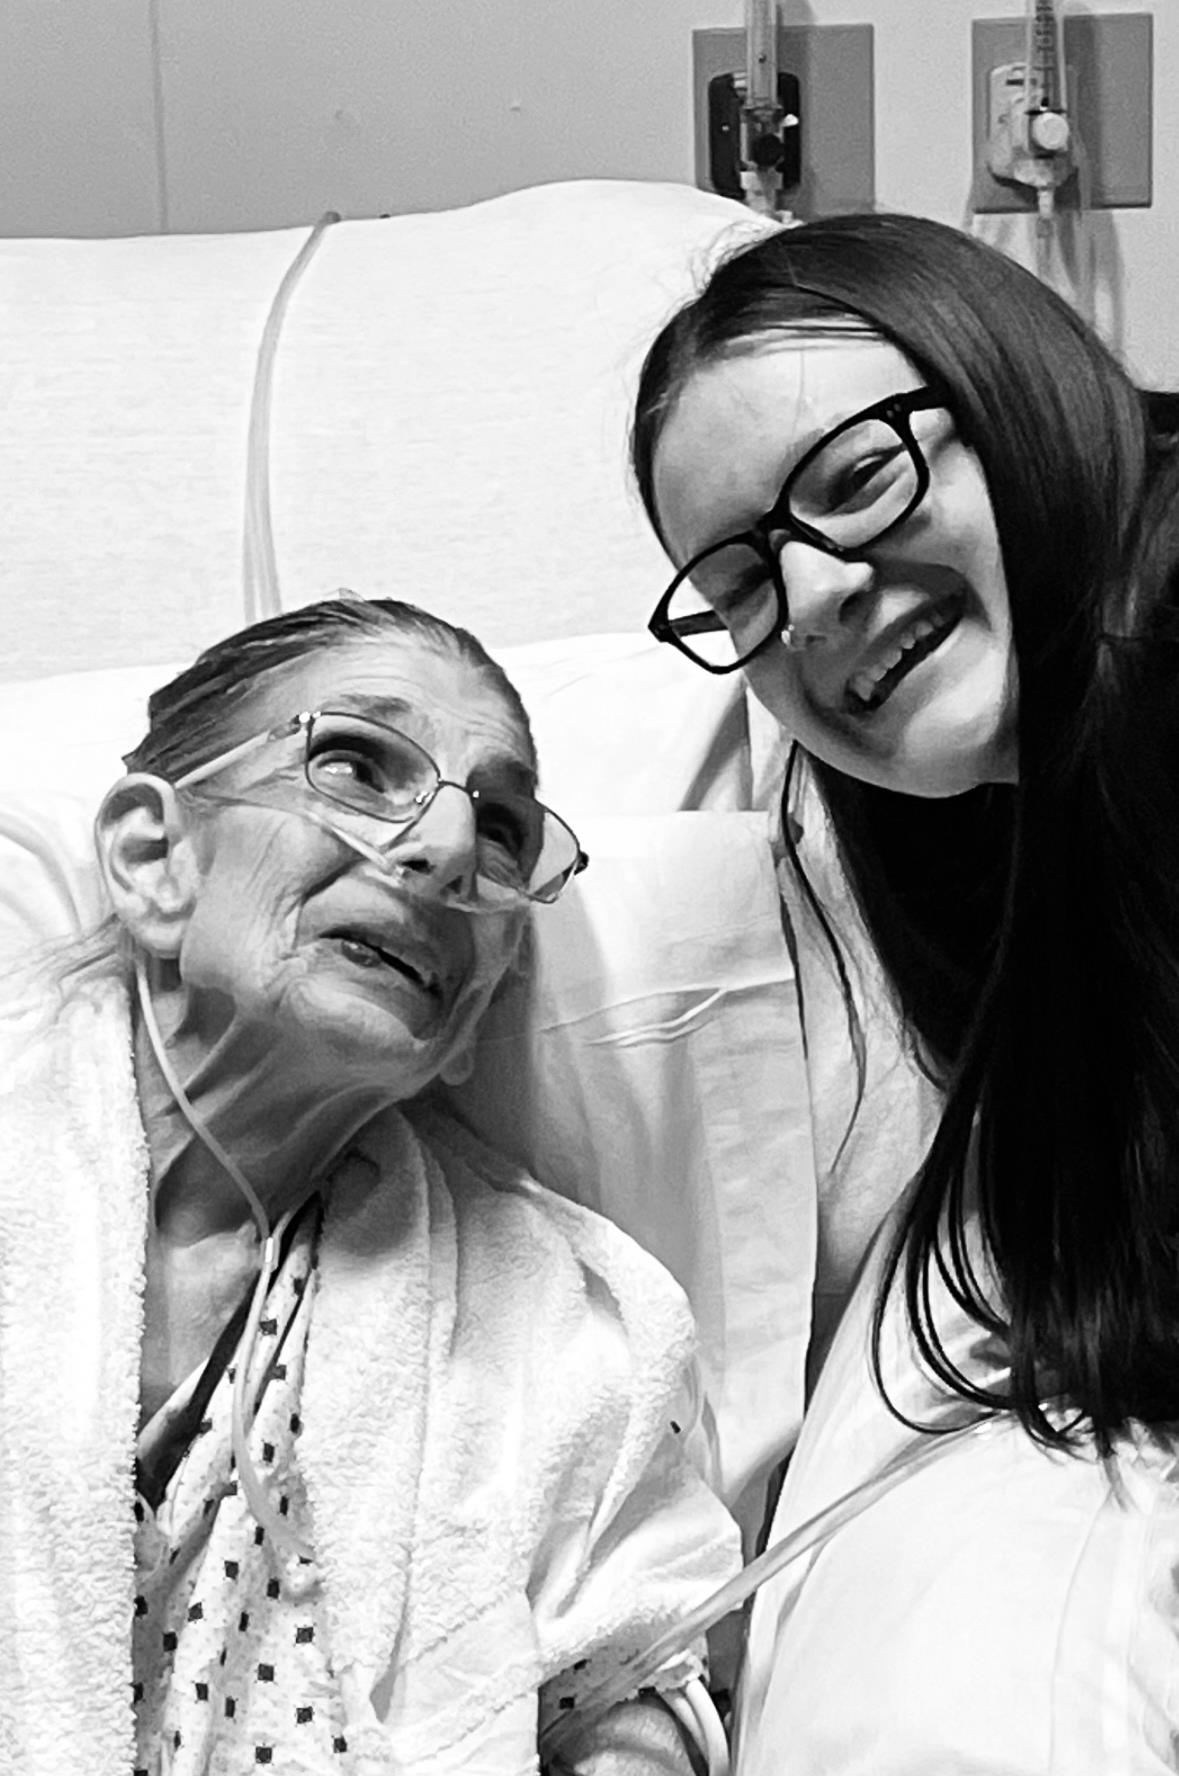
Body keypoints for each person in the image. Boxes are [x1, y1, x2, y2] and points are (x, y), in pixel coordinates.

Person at [0, 594, 741, 1776]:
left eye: (500, 829)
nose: (448, 850)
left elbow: (640, 1669)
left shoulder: (569, 1331)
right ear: (153, 860)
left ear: (477, 1009)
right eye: (355, 761)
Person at [630, 211, 1179, 1769]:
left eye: (855, 478)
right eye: (732, 582)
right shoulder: (1024, 833)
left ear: (1007, 379)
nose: (802, 598)